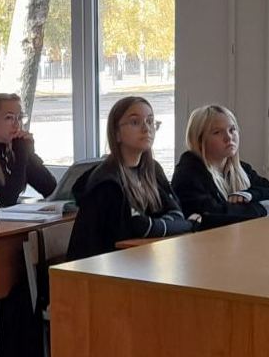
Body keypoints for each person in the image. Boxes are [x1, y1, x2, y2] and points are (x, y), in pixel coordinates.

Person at [66, 96, 193, 262]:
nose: (146, 129)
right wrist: (189, 224)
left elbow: (177, 213)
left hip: (139, 262)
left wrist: (166, 224)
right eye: (135, 122)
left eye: (150, 121)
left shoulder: (152, 170)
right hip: (99, 273)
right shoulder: (107, 181)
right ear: (116, 133)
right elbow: (139, 227)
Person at [172, 104, 269, 227]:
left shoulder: (241, 169)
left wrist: (250, 194)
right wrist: (262, 208)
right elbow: (212, 216)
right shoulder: (188, 174)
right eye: (217, 132)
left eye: (232, 130)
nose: (228, 137)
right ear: (199, 140)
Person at [0, 94, 56, 207]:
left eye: (19, 118)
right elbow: (5, 200)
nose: (17, 124)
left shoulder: (18, 150)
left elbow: (50, 189)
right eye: (9, 117)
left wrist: (30, 154)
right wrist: (22, 155)